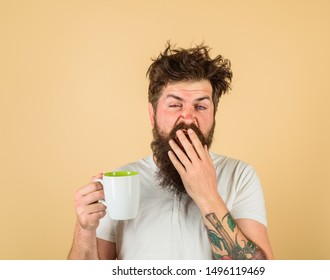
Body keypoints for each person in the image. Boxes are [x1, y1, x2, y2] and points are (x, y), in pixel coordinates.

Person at [68, 43, 273, 260]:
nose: (188, 117)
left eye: (201, 107)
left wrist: (207, 195)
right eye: (175, 105)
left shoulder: (239, 176)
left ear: (214, 115)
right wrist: (85, 230)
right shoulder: (118, 183)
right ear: (152, 114)